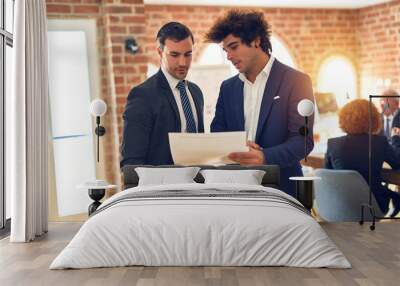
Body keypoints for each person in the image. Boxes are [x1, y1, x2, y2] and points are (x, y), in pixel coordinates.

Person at [205, 10, 314, 197]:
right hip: (235, 191)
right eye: (226, 50)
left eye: (234, 47)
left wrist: (264, 157)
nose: (229, 56)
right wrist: (234, 146)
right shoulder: (228, 88)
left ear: (256, 40)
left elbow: (303, 142)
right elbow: (218, 133)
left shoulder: (297, 81)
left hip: (283, 190)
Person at [120, 22, 204, 167]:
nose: (183, 62)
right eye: (174, 55)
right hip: (161, 186)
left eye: (188, 54)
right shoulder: (142, 95)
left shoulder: (196, 92)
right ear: (160, 52)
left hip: (197, 184)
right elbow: (132, 160)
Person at [324, 99, 400, 217]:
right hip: (374, 205)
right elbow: (397, 163)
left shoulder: (333, 144)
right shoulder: (379, 142)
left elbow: (327, 176)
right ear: (374, 120)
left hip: (340, 205)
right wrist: (396, 139)